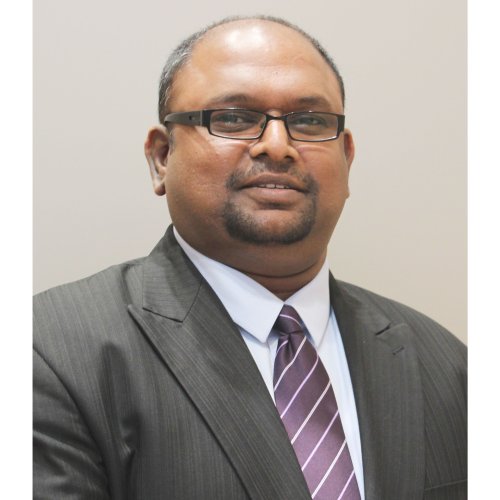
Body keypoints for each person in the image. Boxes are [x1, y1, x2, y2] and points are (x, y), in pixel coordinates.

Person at [33, 15, 466, 500]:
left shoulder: (447, 365)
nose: (278, 147)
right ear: (161, 157)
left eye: (310, 122)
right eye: (234, 118)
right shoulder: (48, 353)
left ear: (347, 159)